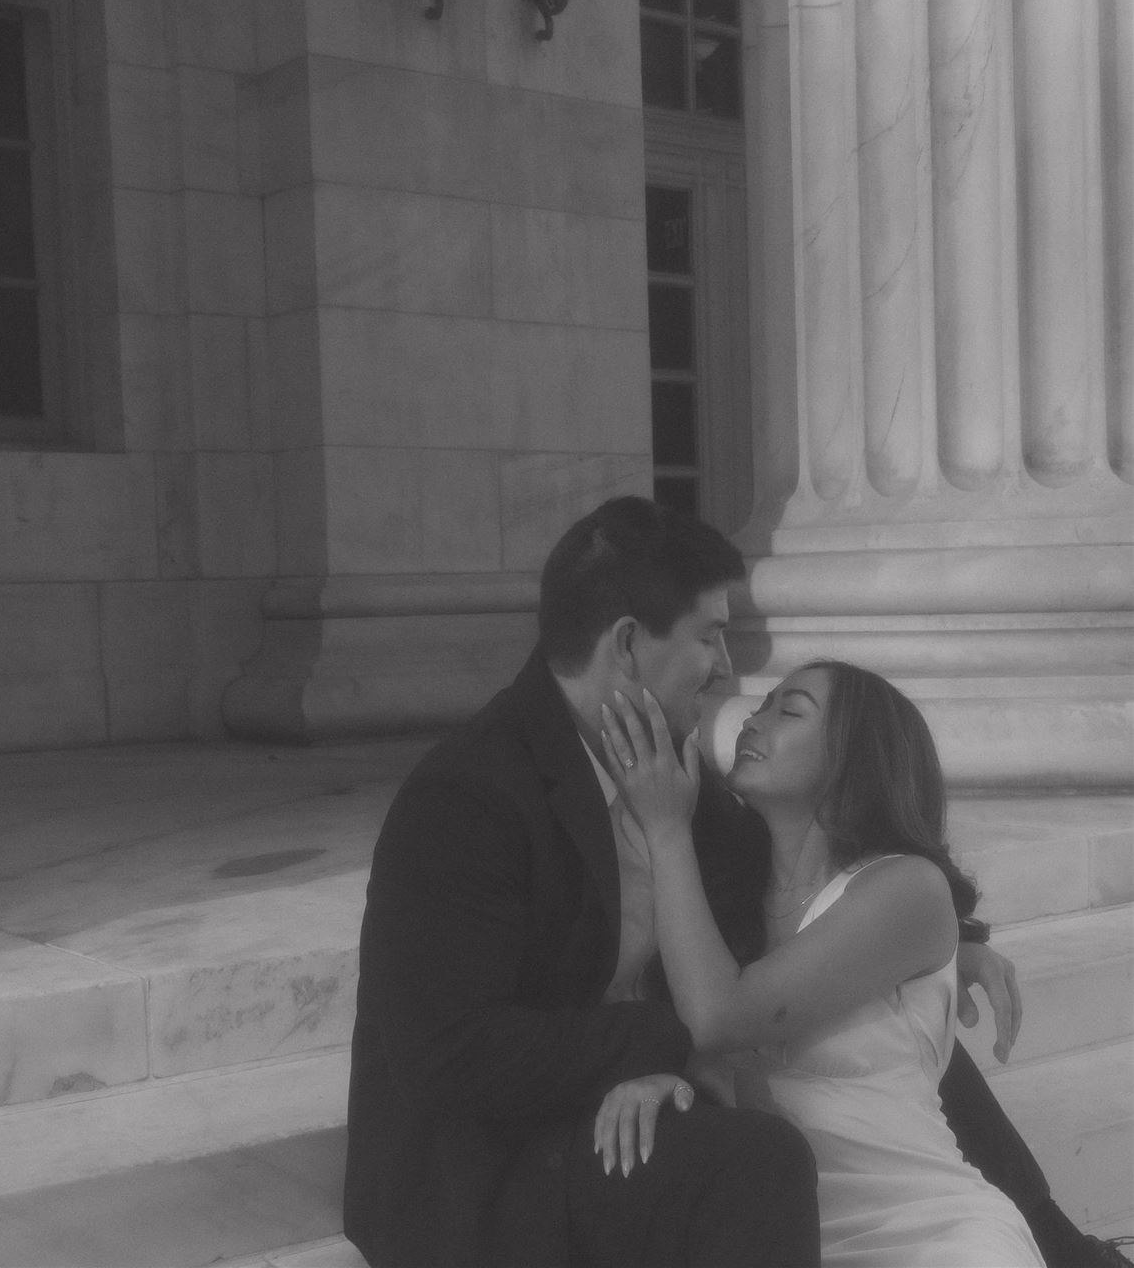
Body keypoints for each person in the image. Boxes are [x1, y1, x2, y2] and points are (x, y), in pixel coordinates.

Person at [343, 498, 1121, 1268]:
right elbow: (450, 1057)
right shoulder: (470, 795)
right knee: (759, 1159)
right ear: (625, 644)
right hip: (490, 1164)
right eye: (709, 636)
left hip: (623, 1111)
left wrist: (951, 945)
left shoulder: (675, 780)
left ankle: (1061, 1250)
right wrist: (667, 1051)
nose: (725, 670)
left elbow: (817, 873)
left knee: (901, 1030)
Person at [601, 656, 1048, 1264]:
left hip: (926, 1228)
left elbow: (718, 1017)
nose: (753, 722)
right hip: (780, 1232)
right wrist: (663, 1074)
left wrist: (667, 829)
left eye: (789, 710)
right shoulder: (720, 901)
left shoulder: (908, 887)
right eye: (760, 706)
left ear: (852, 755)